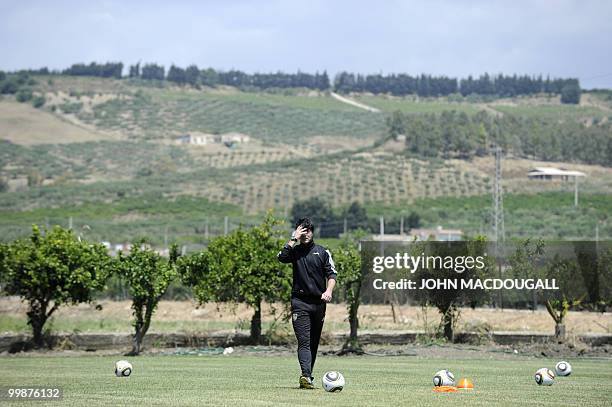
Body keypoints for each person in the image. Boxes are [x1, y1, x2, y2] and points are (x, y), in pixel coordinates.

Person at [277, 217, 337, 389]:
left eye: (308, 230)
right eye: (302, 230)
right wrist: (292, 238)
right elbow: (281, 257)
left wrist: (328, 291)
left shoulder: (323, 252)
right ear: (297, 231)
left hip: (319, 304)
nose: (306, 233)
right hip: (299, 302)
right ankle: (306, 375)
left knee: (313, 342)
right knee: (304, 341)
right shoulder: (294, 252)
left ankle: (307, 377)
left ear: (313, 232)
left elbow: (332, 275)